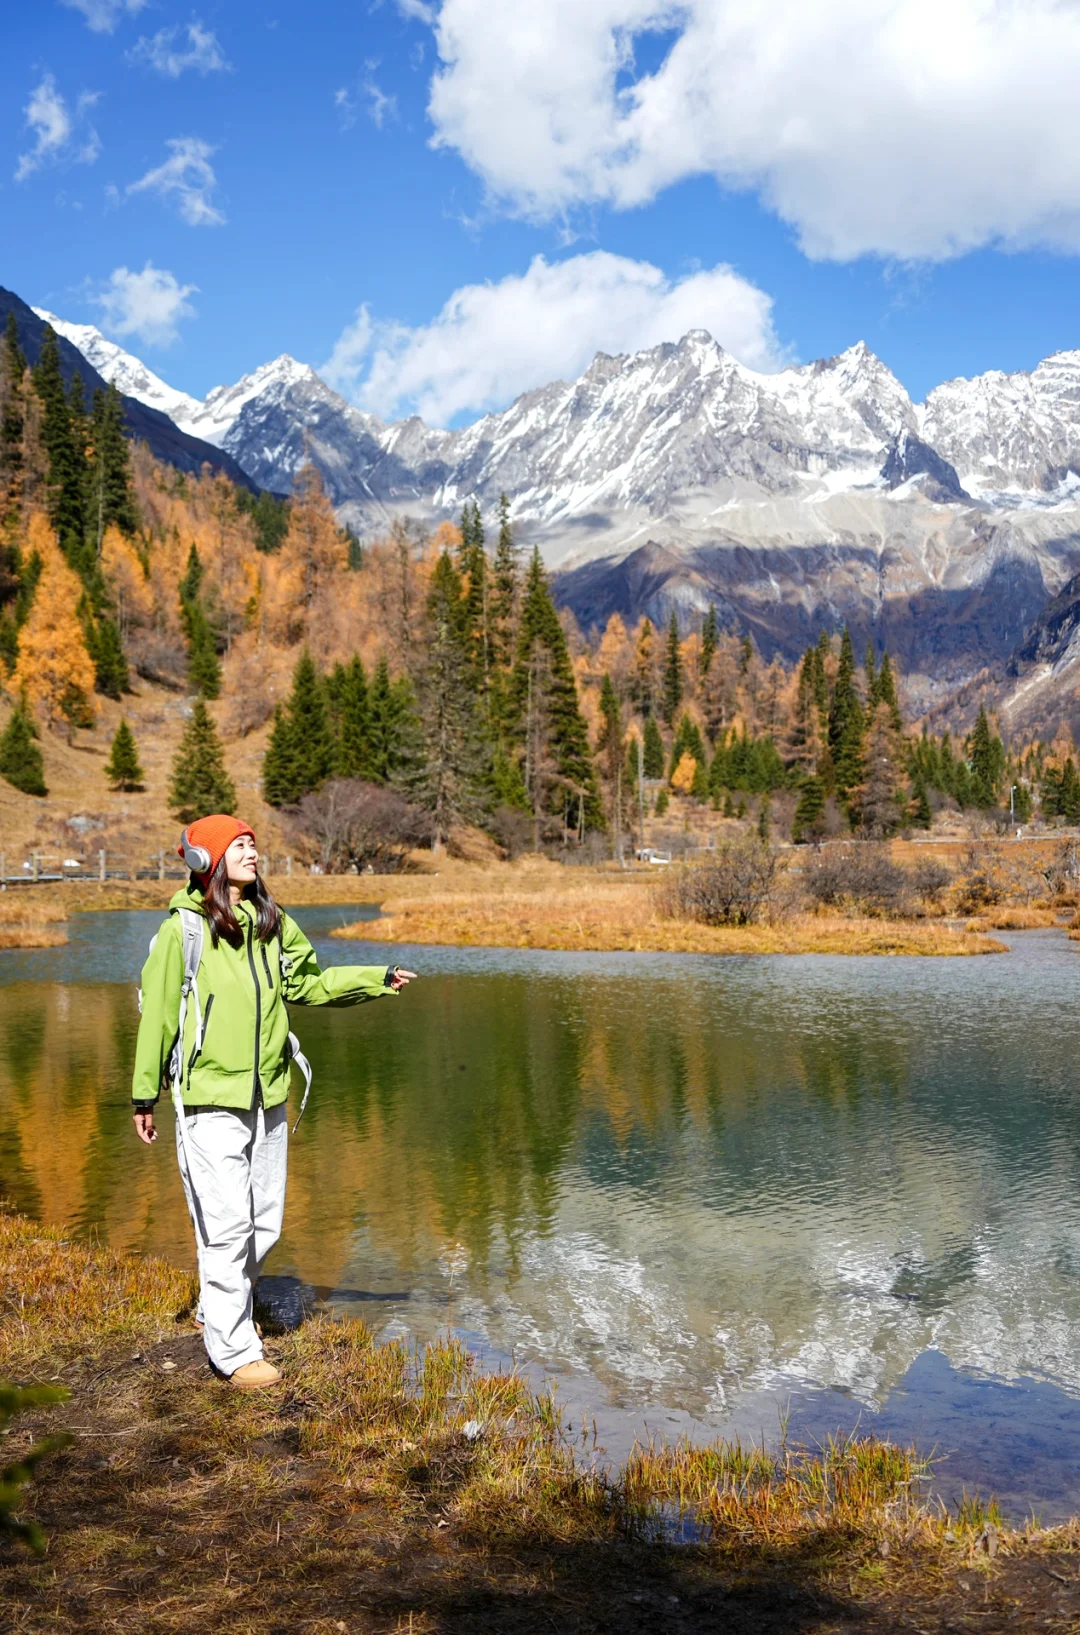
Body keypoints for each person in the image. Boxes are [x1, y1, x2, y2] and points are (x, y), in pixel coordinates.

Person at [131, 813, 415, 1390]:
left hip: (269, 1096)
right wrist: (144, 1093)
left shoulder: (272, 923)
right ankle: (234, 1352)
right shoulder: (182, 933)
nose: (252, 853)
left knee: (265, 1222)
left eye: (254, 844)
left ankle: (218, 1308)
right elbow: (158, 1015)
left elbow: (307, 984)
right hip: (208, 1096)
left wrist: (374, 978)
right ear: (204, 859)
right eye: (239, 845)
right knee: (228, 1224)